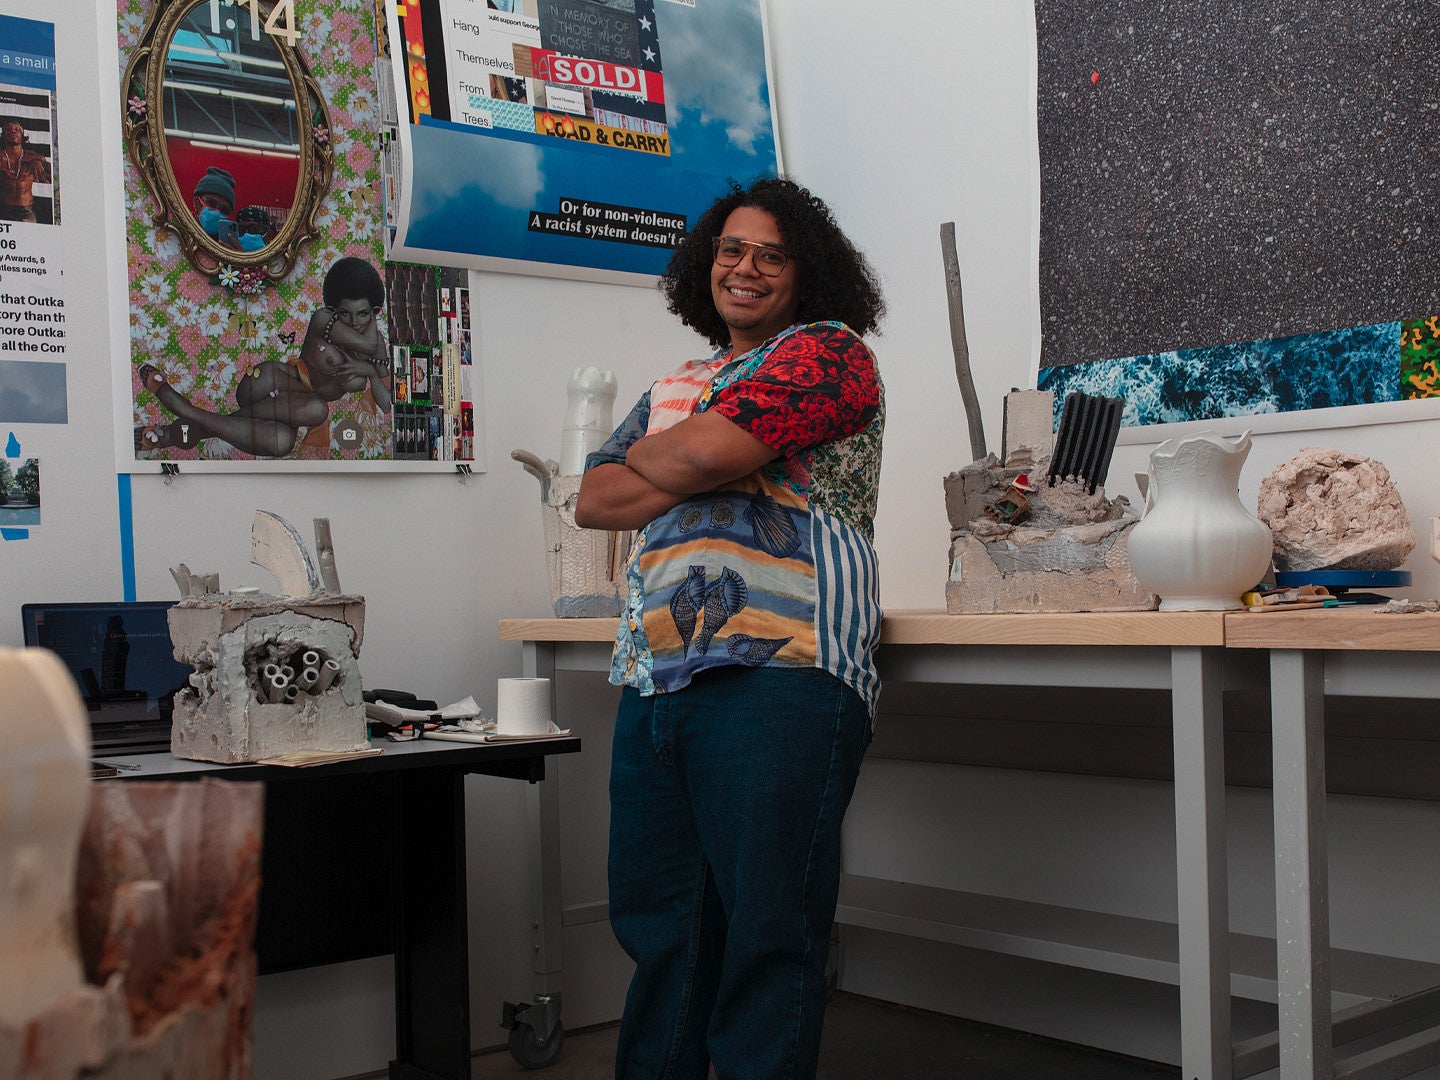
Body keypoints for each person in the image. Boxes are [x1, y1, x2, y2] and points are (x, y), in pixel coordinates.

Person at [574, 176, 885, 1080]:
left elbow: (700, 453)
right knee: (662, 936)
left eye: (771, 255)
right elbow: (595, 498)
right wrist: (703, 452)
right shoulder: (678, 382)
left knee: (766, 938)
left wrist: (678, 457)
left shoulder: (829, 355)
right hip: (657, 683)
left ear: (805, 272)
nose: (744, 269)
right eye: (730, 251)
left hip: (783, 676)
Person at [135, 256, 392, 457]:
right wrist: (372, 335)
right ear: (334, 309)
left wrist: (370, 372)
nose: (356, 322)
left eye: (364, 313)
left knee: (285, 440)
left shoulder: (374, 344)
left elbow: (386, 403)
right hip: (267, 384)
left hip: (294, 414)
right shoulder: (324, 319)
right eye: (347, 313)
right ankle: (184, 413)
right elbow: (367, 343)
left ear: (373, 310)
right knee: (317, 409)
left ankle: (181, 423)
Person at [0, 120, 52, 223]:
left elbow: (50, 172)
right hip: (4, 209)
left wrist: (38, 163)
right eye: (8, 129)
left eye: (17, 129)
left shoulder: (32, 156)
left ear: (22, 135)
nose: (13, 131)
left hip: (27, 210)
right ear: (3, 135)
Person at [191, 166, 239, 247]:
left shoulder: (227, 243)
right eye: (211, 203)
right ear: (196, 202)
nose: (217, 211)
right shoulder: (180, 230)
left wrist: (237, 257)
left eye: (225, 210)